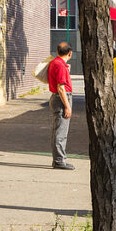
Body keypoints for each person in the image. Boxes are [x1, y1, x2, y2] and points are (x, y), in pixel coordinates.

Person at [48, 42, 74, 170]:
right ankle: (59, 160)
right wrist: (67, 106)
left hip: (55, 98)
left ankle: (58, 159)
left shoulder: (55, 62)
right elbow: (61, 87)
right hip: (62, 99)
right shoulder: (61, 66)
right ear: (70, 53)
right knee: (61, 132)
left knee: (57, 130)